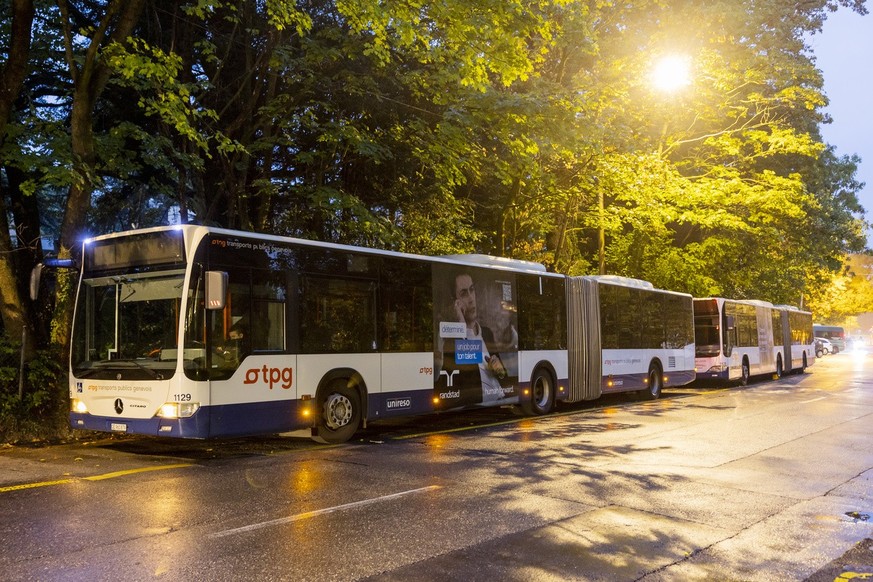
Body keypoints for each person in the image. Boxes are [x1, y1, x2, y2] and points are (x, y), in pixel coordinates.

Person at [437, 272, 511, 406]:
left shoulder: (487, 333)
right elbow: (450, 386)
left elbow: (503, 376)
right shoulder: (452, 341)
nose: (471, 298)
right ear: (456, 303)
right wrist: (460, 326)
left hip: (502, 400)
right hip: (481, 404)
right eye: (464, 294)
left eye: (472, 290)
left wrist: (500, 371)